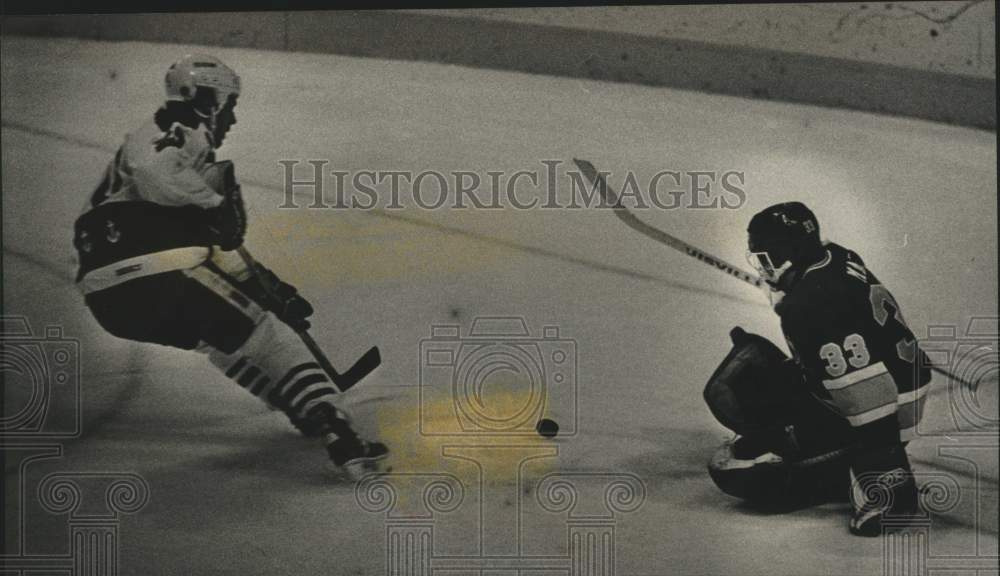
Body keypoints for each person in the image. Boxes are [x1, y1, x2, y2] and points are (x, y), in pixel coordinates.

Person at [72, 53, 388, 479]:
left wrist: (272, 289)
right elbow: (154, 173)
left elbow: (211, 243)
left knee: (223, 341)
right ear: (205, 97)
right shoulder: (179, 131)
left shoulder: (173, 153)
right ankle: (337, 430)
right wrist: (214, 203)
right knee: (267, 335)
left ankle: (299, 404)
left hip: (110, 301)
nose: (233, 118)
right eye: (230, 104)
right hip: (162, 274)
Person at [703, 201, 931, 536]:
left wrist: (886, 474)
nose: (762, 268)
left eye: (766, 259)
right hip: (904, 374)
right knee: (752, 377)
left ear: (788, 254)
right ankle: (838, 449)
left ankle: (871, 474)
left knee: (745, 463)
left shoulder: (812, 305)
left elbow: (867, 390)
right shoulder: (836, 256)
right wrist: (791, 291)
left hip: (892, 400)